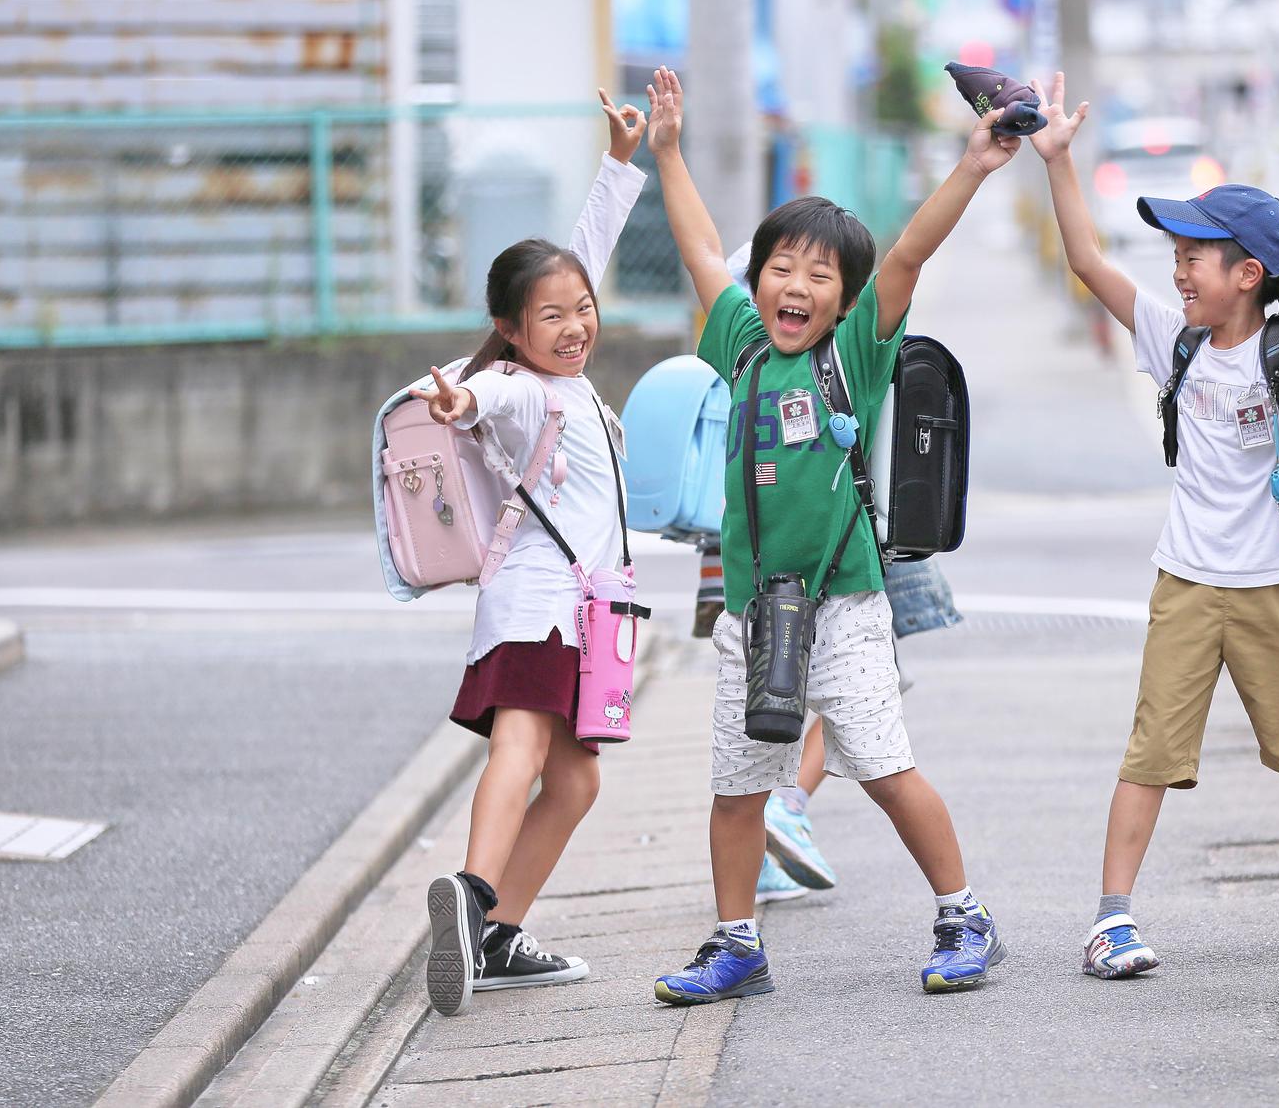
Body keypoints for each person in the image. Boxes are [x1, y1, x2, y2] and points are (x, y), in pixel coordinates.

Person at [644, 65, 1017, 1003]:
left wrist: (974, 165)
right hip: (750, 614)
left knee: (887, 772)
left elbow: (909, 255)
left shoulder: (854, 352)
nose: (796, 285)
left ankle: (965, 916)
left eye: (820, 274)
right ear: (758, 280)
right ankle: (738, 944)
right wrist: (667, 152)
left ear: (846, 298)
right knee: (738, 788)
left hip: (846, 607)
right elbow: (699, 250)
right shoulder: (740, 342)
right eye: (782, 267)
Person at [1028, 73, 1279, 978]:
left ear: (1247, 274)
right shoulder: (1176, 339)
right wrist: (1058, 162)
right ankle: (1111, 918)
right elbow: (1087, 260)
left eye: (1194, 253)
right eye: (1176, 251)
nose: (1177, 268)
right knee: (1151, 749)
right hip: (1189, 584)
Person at [410, 91, 652, 1015]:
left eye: (582, 309)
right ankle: (475, 896)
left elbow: (583, 254)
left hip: (582, 616)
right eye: (550, 316)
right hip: (540, 606)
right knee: (521, 742)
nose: (574, 324)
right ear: (511, 329)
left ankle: (497, 933)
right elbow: (485, 401)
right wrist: (460, 402)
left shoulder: (572, 380)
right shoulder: (519, 387)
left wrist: (619, 163)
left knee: (577, 779)